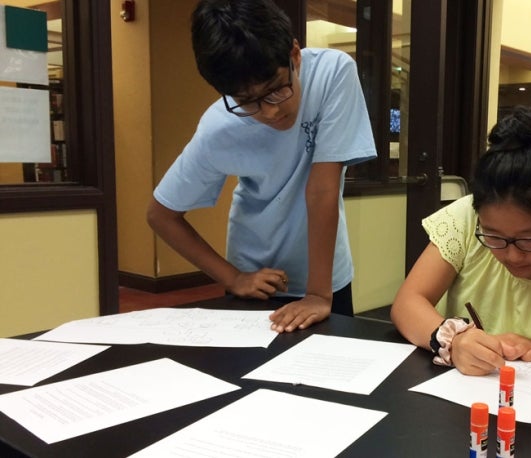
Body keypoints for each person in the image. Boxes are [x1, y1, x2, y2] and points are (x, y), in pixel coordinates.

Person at [146, 0, 376, 333]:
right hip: (257, 284)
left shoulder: (332, 74)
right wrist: (234, 278)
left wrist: (317, 293)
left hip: (326, 280)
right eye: (246, 101)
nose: (269, 112)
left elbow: (323, 187)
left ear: (294, 55)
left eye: (275, 91)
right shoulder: (219, 128)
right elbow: (160, 214)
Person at [391, 105, 531, 376]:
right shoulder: (466, 218)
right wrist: (455, 339)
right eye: (494, 237)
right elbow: (408, 303)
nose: (512, 255)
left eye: (530, 240)